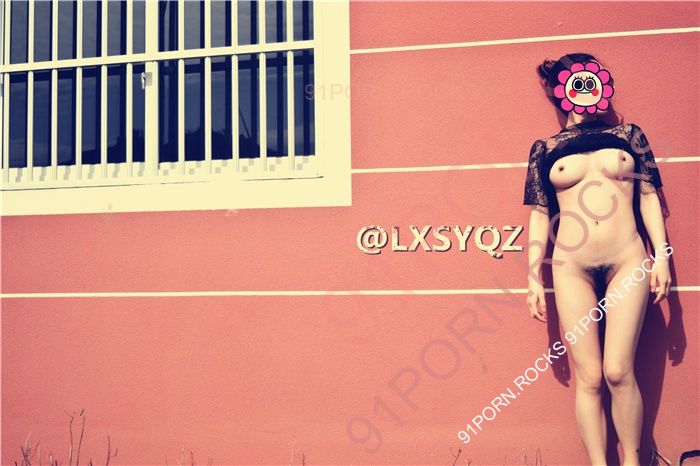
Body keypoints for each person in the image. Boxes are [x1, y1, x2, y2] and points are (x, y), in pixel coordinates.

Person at [523, 52, 671, 466]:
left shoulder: (630, 135)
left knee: (618, 371)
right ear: (562, 92)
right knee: (588, 377)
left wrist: (661, 257)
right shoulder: (545, 149)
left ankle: (633, 463)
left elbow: (648, 198)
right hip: (572, 269)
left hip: (628, 260)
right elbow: (539, 215)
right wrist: (533, 278)